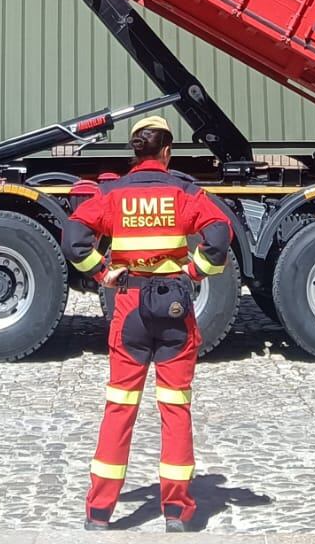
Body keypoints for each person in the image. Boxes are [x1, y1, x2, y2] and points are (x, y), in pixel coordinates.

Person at [61, 112, 233, 532]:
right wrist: (194, 273)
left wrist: (102, 272)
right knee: (175, 408)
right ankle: (178, 511)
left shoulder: (114, 194)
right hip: (173, 308)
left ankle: (99, 511)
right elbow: (219, 235)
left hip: (130, 308)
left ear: (135, 151)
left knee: (120, 406)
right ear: (168, 151)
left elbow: (74, 236)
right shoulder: (184, 191)